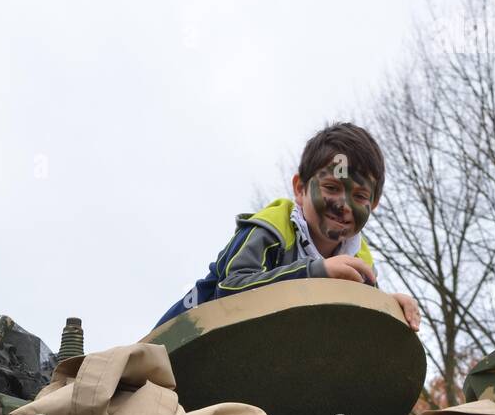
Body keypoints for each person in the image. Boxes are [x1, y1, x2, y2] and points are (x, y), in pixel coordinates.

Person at [154, 122, 421, 332]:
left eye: (361, 196)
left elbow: (359, 327)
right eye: (331, 188)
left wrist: (390, 309)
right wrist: (315, 272)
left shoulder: (360, 265)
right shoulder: (271, 230)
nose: (344, 205)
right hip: (181, 343)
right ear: (300, 189)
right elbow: (229, 289)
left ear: (374, 204)